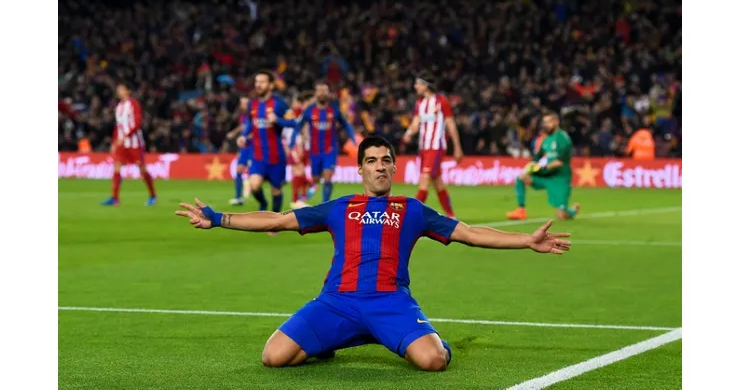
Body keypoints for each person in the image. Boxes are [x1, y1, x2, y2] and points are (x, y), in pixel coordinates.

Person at [175, 136, 572, 371]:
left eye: (385, 161)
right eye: (371, 161)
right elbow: (279, 219)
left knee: (433, 361)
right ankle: (342, 337)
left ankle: (399, 333)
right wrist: (220, 218)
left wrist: (526, 240)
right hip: (338, 301)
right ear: (360, 170)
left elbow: (468, 233)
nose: (379, 167)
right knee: (273, 357)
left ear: (394, 168)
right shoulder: (339, 207)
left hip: (390, 302)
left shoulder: (412, 210)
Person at [236, 71, 296, 228]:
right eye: (257, 82)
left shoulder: (280, 103)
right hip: (258, 155)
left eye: (262, 82)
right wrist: (244, 135)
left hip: (276, 156)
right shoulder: (252, 104)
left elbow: (293, 122)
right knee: (254, 186)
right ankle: (263, 203)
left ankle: (275, 222)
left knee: (276, 190)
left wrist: (278, 120)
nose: (258, 85)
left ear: (271, 85)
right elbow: (251, 123)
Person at [402, 73, 463, 218]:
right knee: (438, 182)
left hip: (436, 147)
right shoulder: (420, 103)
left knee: (424, 180)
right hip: (424, 148)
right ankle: (451, 215)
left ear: (426, 85)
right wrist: (408, 133)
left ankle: (411, 216)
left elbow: (450, 124)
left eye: (418, 84)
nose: (415, 87)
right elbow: (416, 123)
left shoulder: (442, 102)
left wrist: (457, 147)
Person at [290, 82, 357, 203]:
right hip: (315, 150)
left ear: (328, 94)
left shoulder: (334, 109)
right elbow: (298, 126)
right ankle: (309, 191)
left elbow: (346, 124)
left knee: (327, 176)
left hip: (330, 149)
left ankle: (325, 203)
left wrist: (353, 138)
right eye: (319, 91)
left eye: (324, 91)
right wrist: (292, 141)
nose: (321, 94)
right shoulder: (309, 110)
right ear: (316, 94)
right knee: (316, 178)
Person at [506, 112, 580, 220]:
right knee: (521, 177)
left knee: (561, 216)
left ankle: (572, 211)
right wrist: (531, 166)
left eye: (548, 122)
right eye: (544, 122)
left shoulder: (563, 138)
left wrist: (542, 168)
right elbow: (537, 157)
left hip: (560, 178)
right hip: (547, 175)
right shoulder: (546, 140)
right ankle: (521, 210)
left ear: (556, 122)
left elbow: (560, 161)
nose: (545, 125)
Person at [101, 82, 157, 206]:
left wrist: (125, 136)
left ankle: (153, 195)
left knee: (141, 168)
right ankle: (114, 198)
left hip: (134, 143)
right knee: (117, 166)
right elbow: (118, 126)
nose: (119, 91)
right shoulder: (119, 106)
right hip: (122, 143)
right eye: (118, 89)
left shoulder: (133, 104)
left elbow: (137, 123)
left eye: (121, 89)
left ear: (128, 91)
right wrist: (114, 142)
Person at [227, 96, 252, 206]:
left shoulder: (254, 115)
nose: (242, 105)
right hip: (245, 147)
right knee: (239, 171)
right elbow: (243, 127)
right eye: (241, 103)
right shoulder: (243, 116)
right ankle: (238, 198)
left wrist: (246, 137)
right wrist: (234, 133)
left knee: (255, 173)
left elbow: (255, 131)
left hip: (254, 147)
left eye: (245, 103)